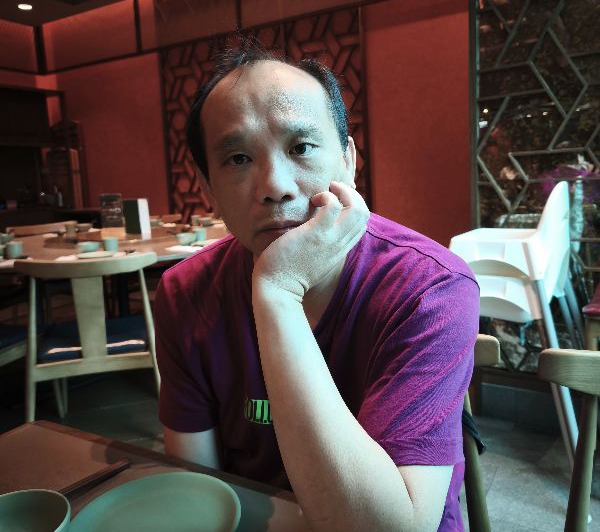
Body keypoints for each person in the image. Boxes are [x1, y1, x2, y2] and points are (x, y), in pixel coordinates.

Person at [155, 38, 479, 531]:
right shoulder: (186, 292)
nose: (275, 186)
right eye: (238, 159)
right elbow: (197, 490)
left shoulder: (429, 290)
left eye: (301, 148)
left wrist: (279, 291)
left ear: (348, 160)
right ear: (207, 188)